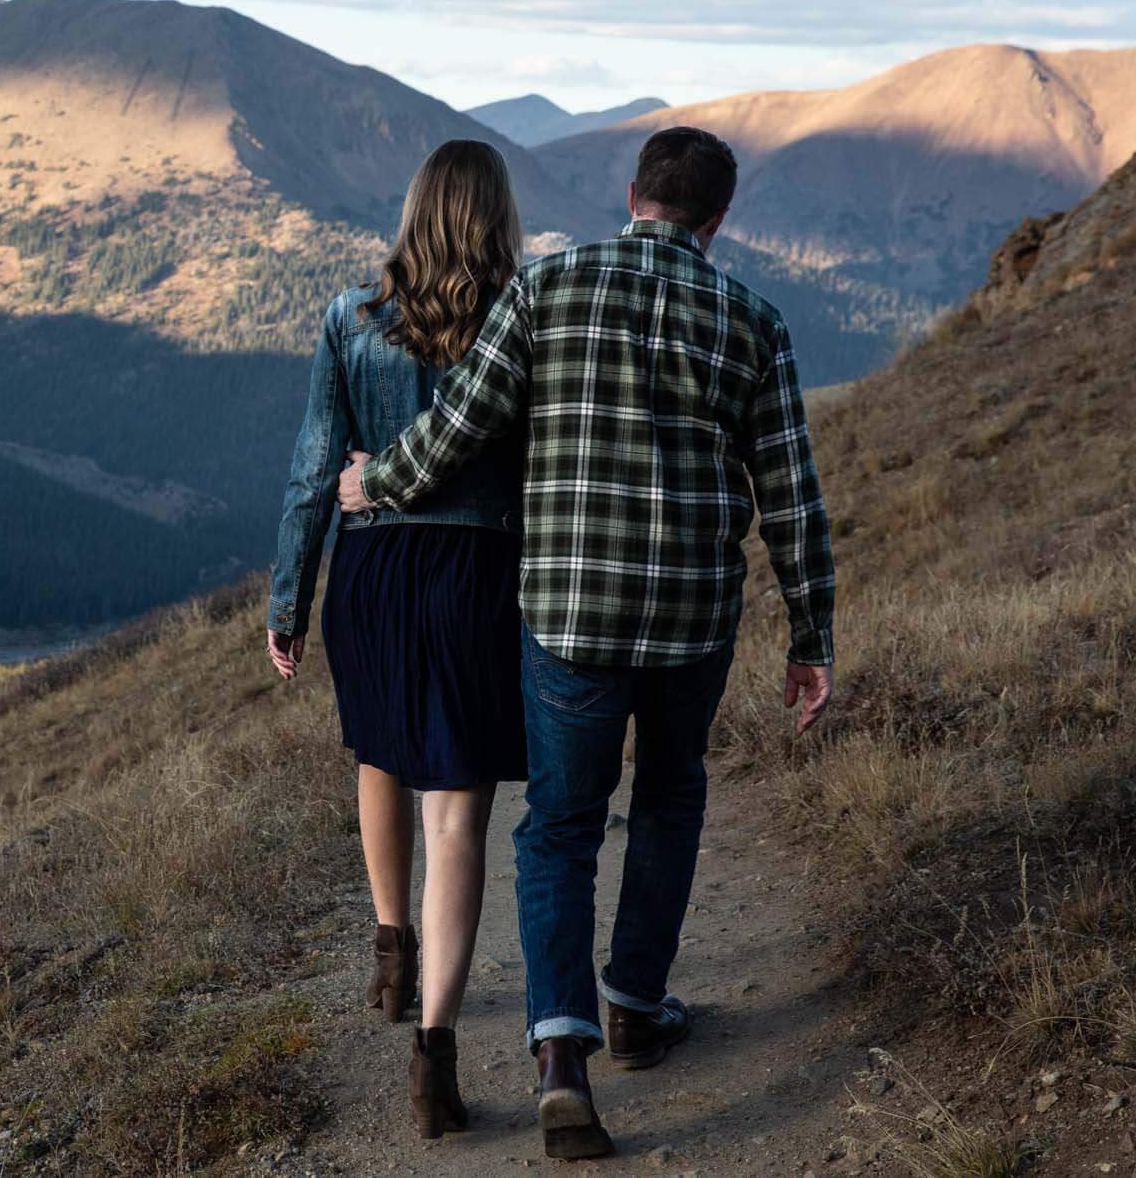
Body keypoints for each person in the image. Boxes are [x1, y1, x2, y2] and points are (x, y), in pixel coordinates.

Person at [338, 126, 837, 1162]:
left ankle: (560, 1056)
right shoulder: (752, 320)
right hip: (691, 614)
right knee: (667, 795)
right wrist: (809, 629)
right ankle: (635, 1006)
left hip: (567, 616)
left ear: (632, 194)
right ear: (715, 218)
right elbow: (790, 494)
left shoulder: (547, 289)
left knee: (559, 825)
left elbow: (455, 430)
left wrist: (368, 484)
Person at [266, 138, 529, 1141]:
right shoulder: (519, 318)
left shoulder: (349, 317)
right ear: (496, 215)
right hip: (472, 574)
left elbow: (311, 468)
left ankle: (389, 939)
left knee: (379, 747)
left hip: (370, 570)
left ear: (415, 210)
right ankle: (436, 1050)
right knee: (456, 815)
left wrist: (287, 599)